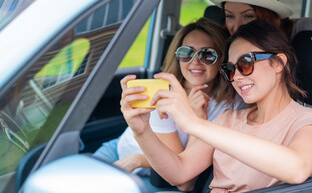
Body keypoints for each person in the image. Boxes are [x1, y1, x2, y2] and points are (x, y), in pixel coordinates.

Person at [120, 20, 312, 192]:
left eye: (245, 63)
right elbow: (180, 172)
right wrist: (142, 131)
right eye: (231, 69)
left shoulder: (307, 123)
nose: (237, 77)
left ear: (278, 63)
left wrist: (194, 124)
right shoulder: (228, 120)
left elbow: (296, 169)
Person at [93, 17, 245, 190]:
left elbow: (185, 181)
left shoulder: (232, 104)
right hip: (119, 157)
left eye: (207, 54)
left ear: (222, 61)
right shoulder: (162, 95)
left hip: (152, 174)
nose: (195, 61)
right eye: (186, 53)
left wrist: (197, 118)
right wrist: (136, 159)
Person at [205, 0, 312, 128]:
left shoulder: (306, 33)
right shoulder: (229, 53)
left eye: (248, 15)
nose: (237, 25)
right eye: (230, 16)